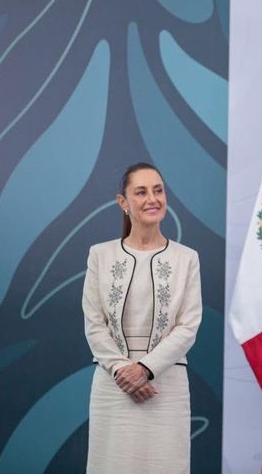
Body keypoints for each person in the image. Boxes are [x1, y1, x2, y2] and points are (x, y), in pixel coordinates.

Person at [82, 162, 202, 473]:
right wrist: (125, 371)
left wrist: (146, 370)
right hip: (112, 384)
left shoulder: (187, 258)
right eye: (141, 192)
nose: (152, 199)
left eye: (158, 190)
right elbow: (94, 324)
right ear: (123, 202)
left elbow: (187, 327)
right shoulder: (100, 255)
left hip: (166, 384)